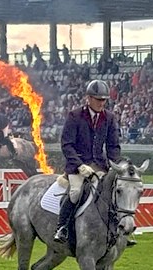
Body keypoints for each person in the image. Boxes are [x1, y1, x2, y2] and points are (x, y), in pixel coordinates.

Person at [54, 80, 135, 246]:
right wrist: (79, 165)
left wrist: (117, 166)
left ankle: (121, 231)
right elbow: (66, 144)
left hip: (100, 164)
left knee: (115, 192)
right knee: (76, 192)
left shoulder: (110, 118)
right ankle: (62, 227)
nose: (102, 103)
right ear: (89, 98)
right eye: (98, 99)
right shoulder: (75, 116)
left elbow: (113, 146)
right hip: (78, 165)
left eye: (104, 100)